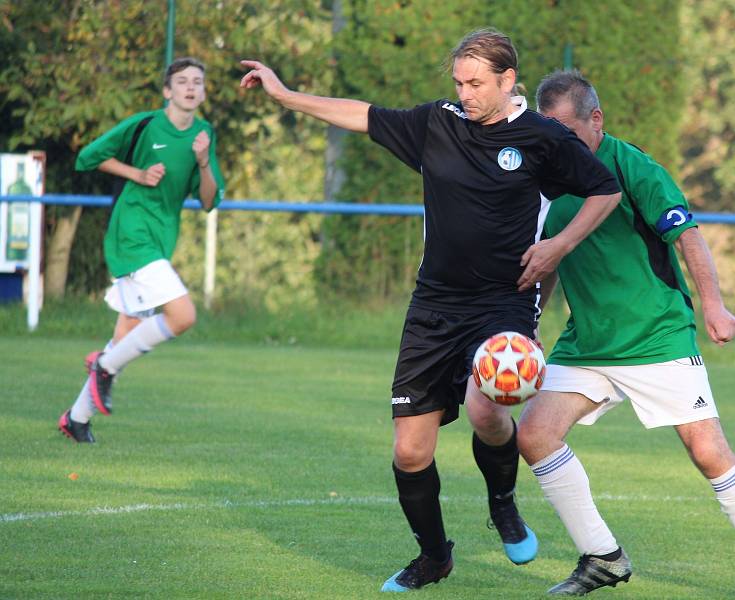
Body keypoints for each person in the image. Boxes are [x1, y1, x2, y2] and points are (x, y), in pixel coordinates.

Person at [241, 30, 622, 592]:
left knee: (486, 411)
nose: (465, 93)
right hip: (434, 304)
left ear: (507, 80)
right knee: (409, 448)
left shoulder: (541, 137)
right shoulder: (437, 122)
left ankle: (503, 504)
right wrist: (285, 95)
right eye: (459, 83)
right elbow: (362, 115)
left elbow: (604, 189)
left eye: (476, 83)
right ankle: (434, 555)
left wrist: (558, 246)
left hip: (504, 301)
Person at [516, 69, 735, 600]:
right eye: (547, 134)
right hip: (587, 342)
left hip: (656, 337)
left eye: (566, 133)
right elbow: (550, 255)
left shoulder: (633, 166)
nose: (556, 145)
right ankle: (603, 557)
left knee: (709, 453)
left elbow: (687, 236)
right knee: (533, 434)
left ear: (596, 120)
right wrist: (530, 324)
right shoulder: (545, 178)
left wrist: (713, 305)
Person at [58, 57, 225, 444]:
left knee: (128, 330)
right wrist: (138, 173)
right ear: (167, 91)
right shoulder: (146, 124)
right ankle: (103, 366)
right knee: (182, 314)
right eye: (181, 81)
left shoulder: (204, 134)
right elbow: (88, 157)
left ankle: (76, 418)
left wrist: (203, 163)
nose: (189, 87)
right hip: (131, 232)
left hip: (161, 239)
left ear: (202, 92)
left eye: (197, 82)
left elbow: (208, 201)